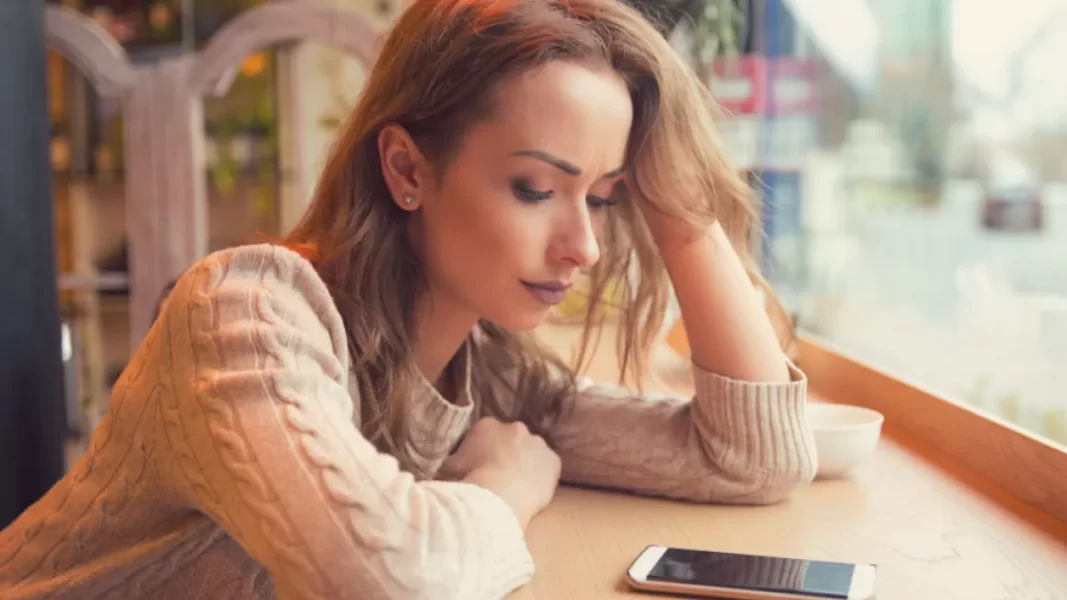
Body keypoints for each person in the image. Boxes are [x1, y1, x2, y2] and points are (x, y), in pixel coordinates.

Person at [0, 0, 817, 598]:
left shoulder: (482, 370)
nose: (586, 246)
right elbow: (383, 579)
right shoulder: (244, 312)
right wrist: (502, 488)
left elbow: (750, 459)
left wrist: (679, 207)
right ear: (405, 169)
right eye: (536, 188)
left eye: (602, 196)